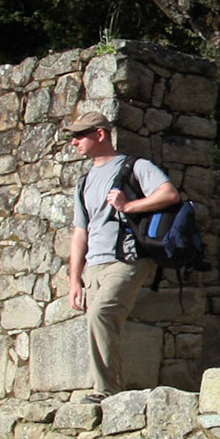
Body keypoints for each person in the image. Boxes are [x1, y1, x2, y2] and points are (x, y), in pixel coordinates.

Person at [65, 109, 180, 398]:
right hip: (94, 267)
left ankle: (106, 392)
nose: (74, 142)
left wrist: (128, 206)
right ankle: (111, 389)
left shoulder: (134, 166)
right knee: (103, 324)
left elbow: (169, 194)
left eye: (80, 135)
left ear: (100, 134)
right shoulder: (83, 182)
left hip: (127, 260)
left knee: (100, 316)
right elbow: (80, 233)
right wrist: (74, 280)